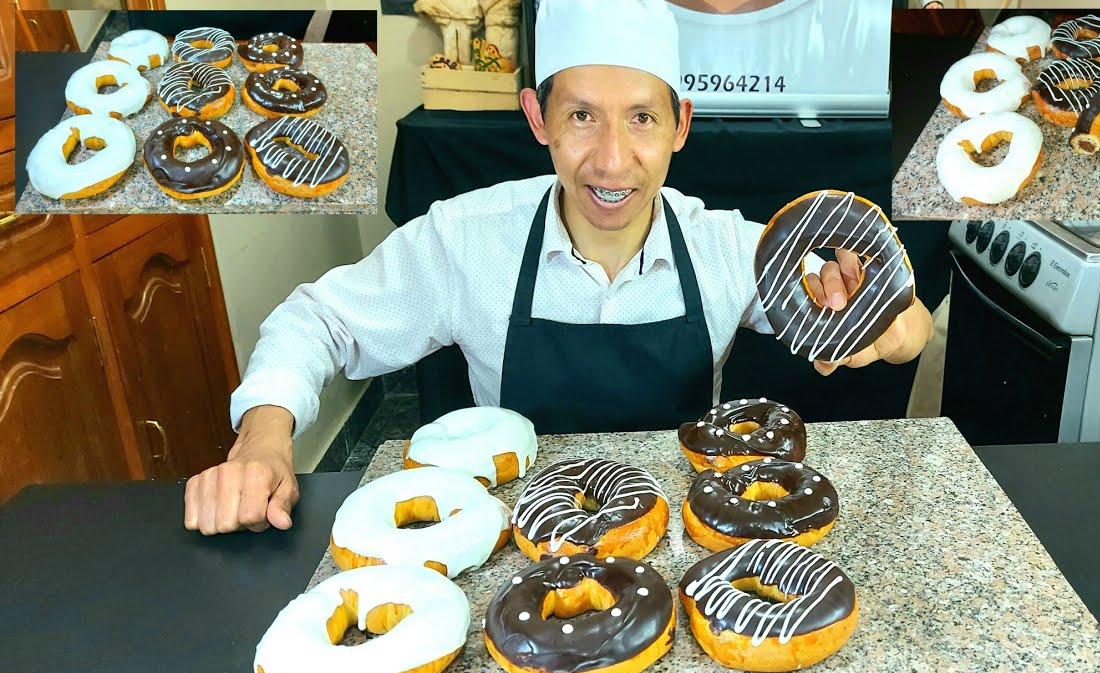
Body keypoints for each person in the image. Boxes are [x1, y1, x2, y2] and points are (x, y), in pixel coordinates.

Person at [183, 0, 934, 536]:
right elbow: (319, 320)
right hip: (513, 539)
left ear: (680, 125)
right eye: (581, 116)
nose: (611, 160)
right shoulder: (465, 240)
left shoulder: (728, 249)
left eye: (641, 118)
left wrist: (891, 328)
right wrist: (263, 440)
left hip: (680, 542)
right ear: (537, 119)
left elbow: (904, 324)